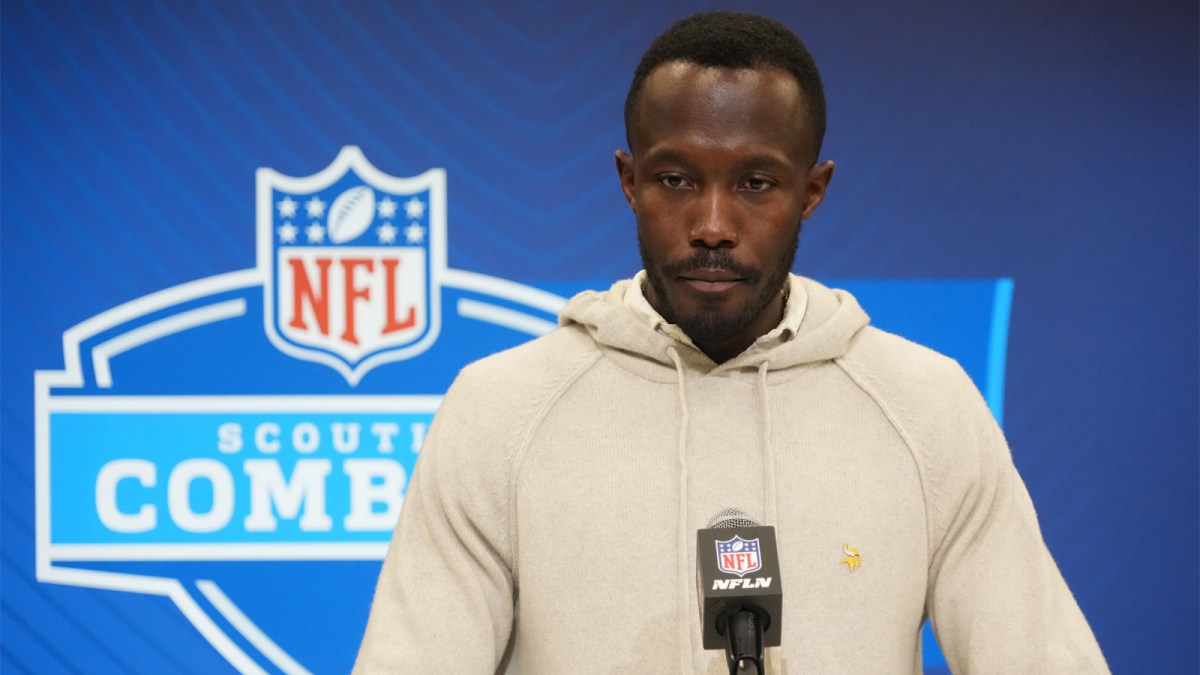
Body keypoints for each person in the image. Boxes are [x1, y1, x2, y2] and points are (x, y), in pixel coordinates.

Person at [354, 10, 1107, 673]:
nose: (712, 225)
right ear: (629, 181)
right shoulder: (500, 411)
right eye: (676, 179)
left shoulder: (927, 408)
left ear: (812, 191)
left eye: (755, 183)